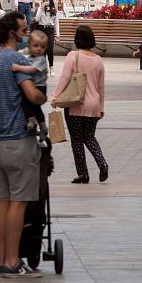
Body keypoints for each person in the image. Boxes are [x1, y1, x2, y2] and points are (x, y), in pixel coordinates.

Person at [0, 12, 46, 278]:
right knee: (19, 203)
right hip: (20, 139)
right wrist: (44, 97)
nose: (26, 33)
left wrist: (3, 114)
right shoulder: (18, 60)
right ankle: (11, 260)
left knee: (3, 201)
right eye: (22, 29)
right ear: (11, 32)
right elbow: (32, 95)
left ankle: (2, 259)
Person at [51, 25, 108, 185]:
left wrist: (55, 96)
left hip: (75, 103)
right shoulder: (98, 60)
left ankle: (83, 174)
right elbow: (101, 87)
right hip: (94, 104)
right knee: (89, 137)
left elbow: (64, 77)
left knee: (77, 139)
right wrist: (101, 107)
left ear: (77, 39)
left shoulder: (73, 56)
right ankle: (102, 162)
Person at [11, 30, 49, 144]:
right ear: (30, 45)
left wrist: (18, 68)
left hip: (39, 87)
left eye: (42, 47)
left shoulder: (41, 59)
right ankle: (42, 126)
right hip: (35, 85)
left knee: (25, 101)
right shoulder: (31, 55)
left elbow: (32, 70)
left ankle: (32, 121)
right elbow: (23, 52)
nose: (39, 49)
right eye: (36, 46)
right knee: (36, 108)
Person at [34, 0, 61, 75]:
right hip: (42, 29)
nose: (45, 2)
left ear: (50, 0)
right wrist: (41, 9)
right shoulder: (40, 8)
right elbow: (37, 19)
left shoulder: (54, 9)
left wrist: (58, 34)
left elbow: (56, 22)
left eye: (47, 0)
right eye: (44, 0)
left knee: (50, 49)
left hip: (50, 30)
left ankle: (51, 67)